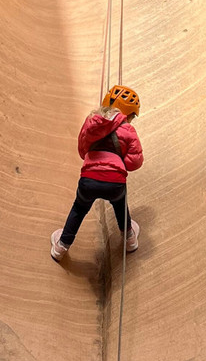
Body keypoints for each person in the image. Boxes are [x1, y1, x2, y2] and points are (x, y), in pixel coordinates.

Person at [51, 85, 143, 260]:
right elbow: (135, 161)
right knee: (120, 205)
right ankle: (130, 239)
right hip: (115, 181)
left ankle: (61, 247)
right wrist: (118, 162)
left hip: (89, 179)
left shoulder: (91, 122)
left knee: (79, 209)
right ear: (127, 114)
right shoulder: (128, 130)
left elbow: (82, 149)